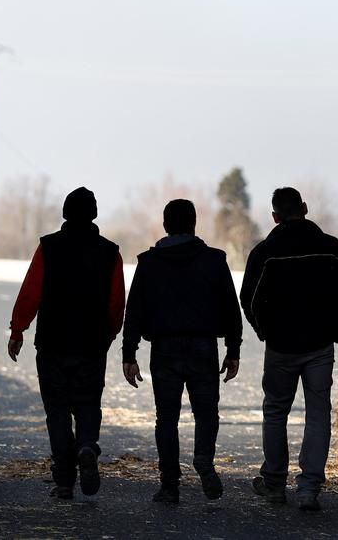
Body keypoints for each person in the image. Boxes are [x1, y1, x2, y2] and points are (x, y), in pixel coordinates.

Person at [240, 187, 338, 511]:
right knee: (318, 413)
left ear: (275, 217)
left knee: (275, 411)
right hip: (320, 346)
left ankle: (274, 483)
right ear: (304, 208)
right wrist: (336, 331)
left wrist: (265, 332)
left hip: (281, 346)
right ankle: (309, 489)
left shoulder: (265, 251)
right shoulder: (332, 248)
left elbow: (248, 299)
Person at [122, 199, 243, 504]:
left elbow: (134, 310)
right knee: (206, 413)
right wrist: (233, 349)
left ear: (165, 225)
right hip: (203, 347)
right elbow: (231, 307)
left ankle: (169, 485)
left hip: (164, 348)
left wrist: (129, 354)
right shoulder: (214, 260)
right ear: (194, 224)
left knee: (166, 418)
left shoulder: (149, 263)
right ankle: (203, 459)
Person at [7, 186, 125, 500]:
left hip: (53, 344)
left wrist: (18, 330)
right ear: (94, 214)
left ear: (65, 213)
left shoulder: (48, 247)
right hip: (91, 345)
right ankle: (86, 445)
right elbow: (117, 302)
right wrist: (110, 333)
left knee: (57, 411)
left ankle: (64, 481)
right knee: (88, 404)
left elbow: (30, 292)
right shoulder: (110, 252)